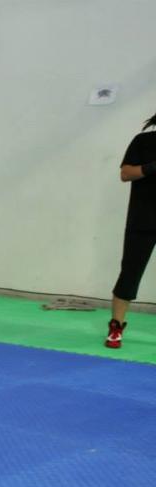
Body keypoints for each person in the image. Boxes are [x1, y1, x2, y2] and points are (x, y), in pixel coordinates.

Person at [106, 111, 156, 348]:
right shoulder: (143, 141)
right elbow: (126, 174)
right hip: (143, 219)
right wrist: (153, 166)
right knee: (130, 273)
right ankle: (116, 326)